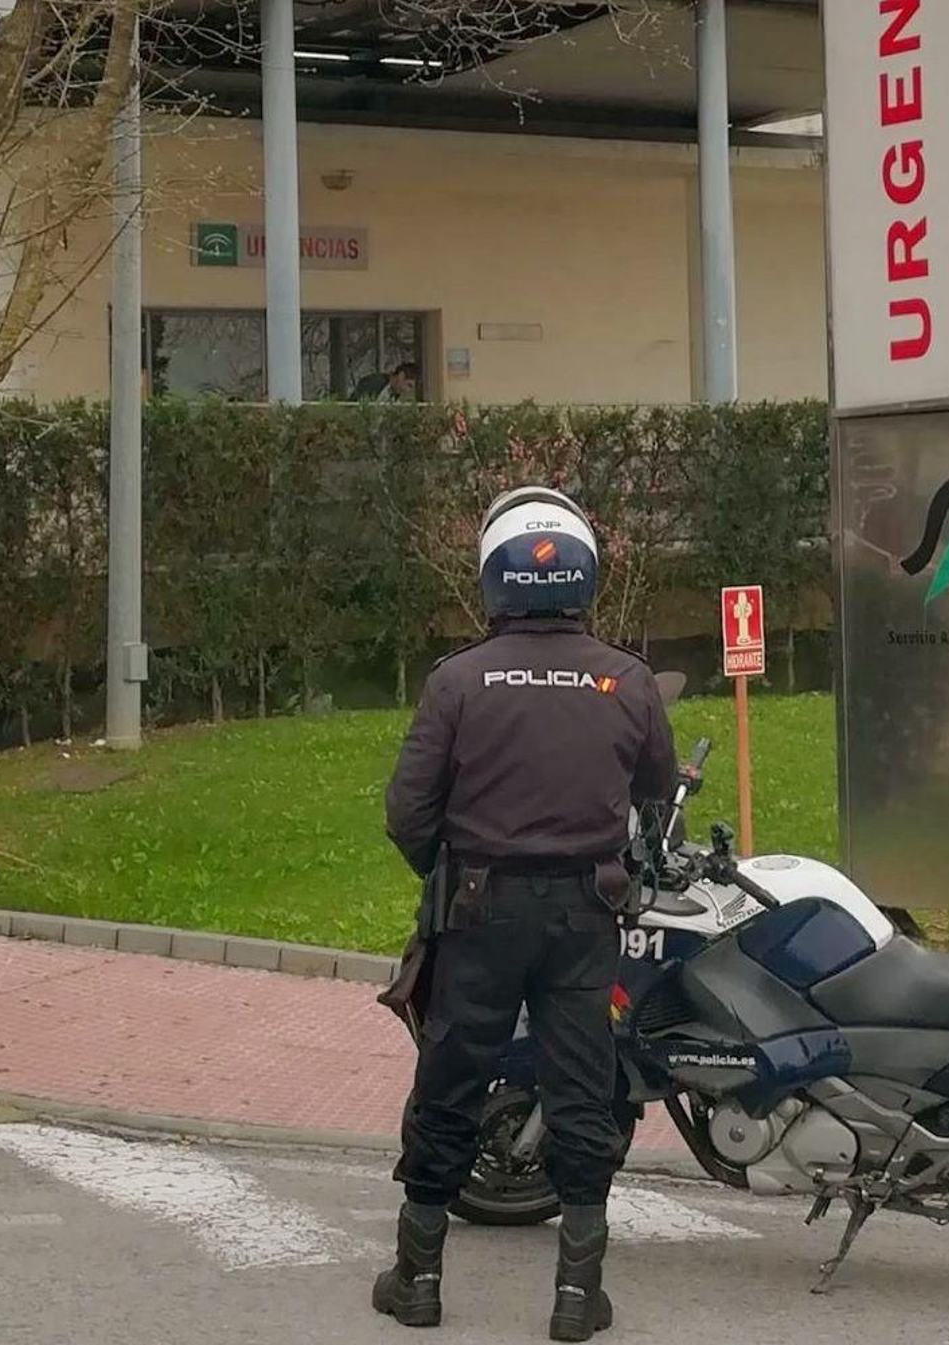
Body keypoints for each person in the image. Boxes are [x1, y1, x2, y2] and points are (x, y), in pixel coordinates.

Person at [374, 485, 677, 1340]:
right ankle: (578, 1295)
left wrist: (446, 872)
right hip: (586, 915)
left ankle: (419, 1279)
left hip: (479, 912)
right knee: (581, 1089)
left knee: (451, 1082)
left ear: (494, 575)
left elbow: (407, 812)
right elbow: (656, 791)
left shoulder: (458, 680)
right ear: (584, 573)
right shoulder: (628, 679)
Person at [354, 360, 420, 402]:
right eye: (408, 385)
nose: (407, 390)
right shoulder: (374, 382)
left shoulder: (395, 395)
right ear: (401, 375)